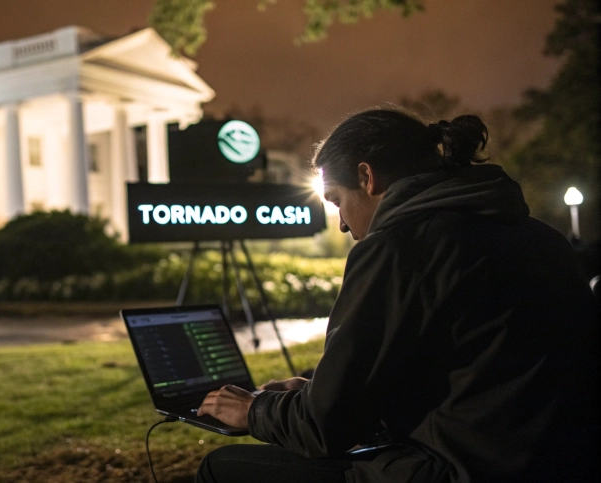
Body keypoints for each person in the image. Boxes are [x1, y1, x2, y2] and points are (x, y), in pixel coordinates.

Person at [195, 109, 599, 482]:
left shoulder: (398, 248)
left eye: (337, 200)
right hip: (558, 460)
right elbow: (472, 371)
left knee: (221, 468)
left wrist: (254, 409)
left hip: (455, 470)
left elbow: (323, 429)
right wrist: (318, 389)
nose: (340, 224)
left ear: (367, 178)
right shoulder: (540, 237)